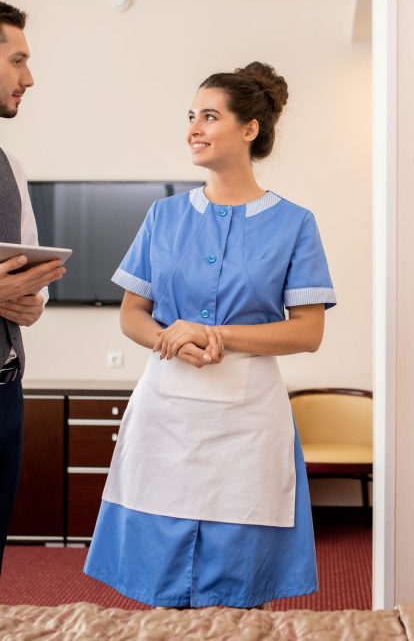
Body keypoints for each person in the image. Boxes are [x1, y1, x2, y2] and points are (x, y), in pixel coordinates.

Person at [84, 61, 336, 608]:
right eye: (190, 116)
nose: (193, 128)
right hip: (167, 409)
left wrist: (213, 331)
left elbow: (308, 332)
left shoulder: (294, 223)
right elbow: (132, 314)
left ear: (250, 129)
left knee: (239, 581)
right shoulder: (164, 216)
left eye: (209, 116)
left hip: (247, 416)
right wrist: (168, 339)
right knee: (160, 574)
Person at [0, 1, 66, 573]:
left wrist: (28, 298)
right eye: (18, 60)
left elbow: (30, 302)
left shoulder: (12, 168)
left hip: (4, 392)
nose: (30, 78)